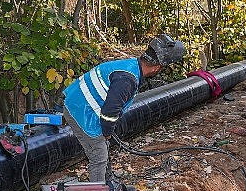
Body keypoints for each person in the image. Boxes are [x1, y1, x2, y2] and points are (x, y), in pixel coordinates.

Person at [62, 34, 185, 182]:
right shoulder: (127, 79)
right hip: (81, 111)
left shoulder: (131, 65)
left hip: (76, 102)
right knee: (99, 155)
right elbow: (109, 112)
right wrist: (107, 132)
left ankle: (107, 186)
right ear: (157, 68)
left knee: (103, 149)